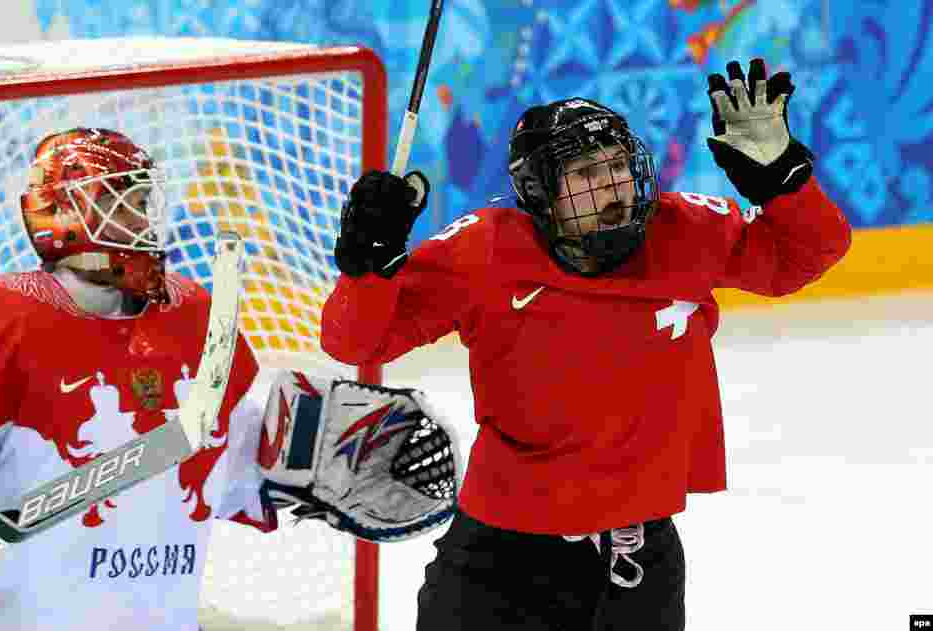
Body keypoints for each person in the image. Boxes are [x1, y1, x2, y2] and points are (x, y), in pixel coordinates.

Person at [320, 58, 852, 630]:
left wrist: (783, 179)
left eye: (618, 165)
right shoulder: (484, 253)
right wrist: (366, 271)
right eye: (586, 174)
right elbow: (356, 342)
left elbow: (805, 257)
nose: (613, 185)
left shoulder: (685, 232)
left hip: (639, 561)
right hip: (498, 567)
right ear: (540, 192)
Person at [0, 127, 460, 630]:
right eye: (118, 204)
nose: (141, 222)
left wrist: (310, 459)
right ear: (63, 215)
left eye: (143, 203)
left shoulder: (196, 317)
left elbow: (228, 465)